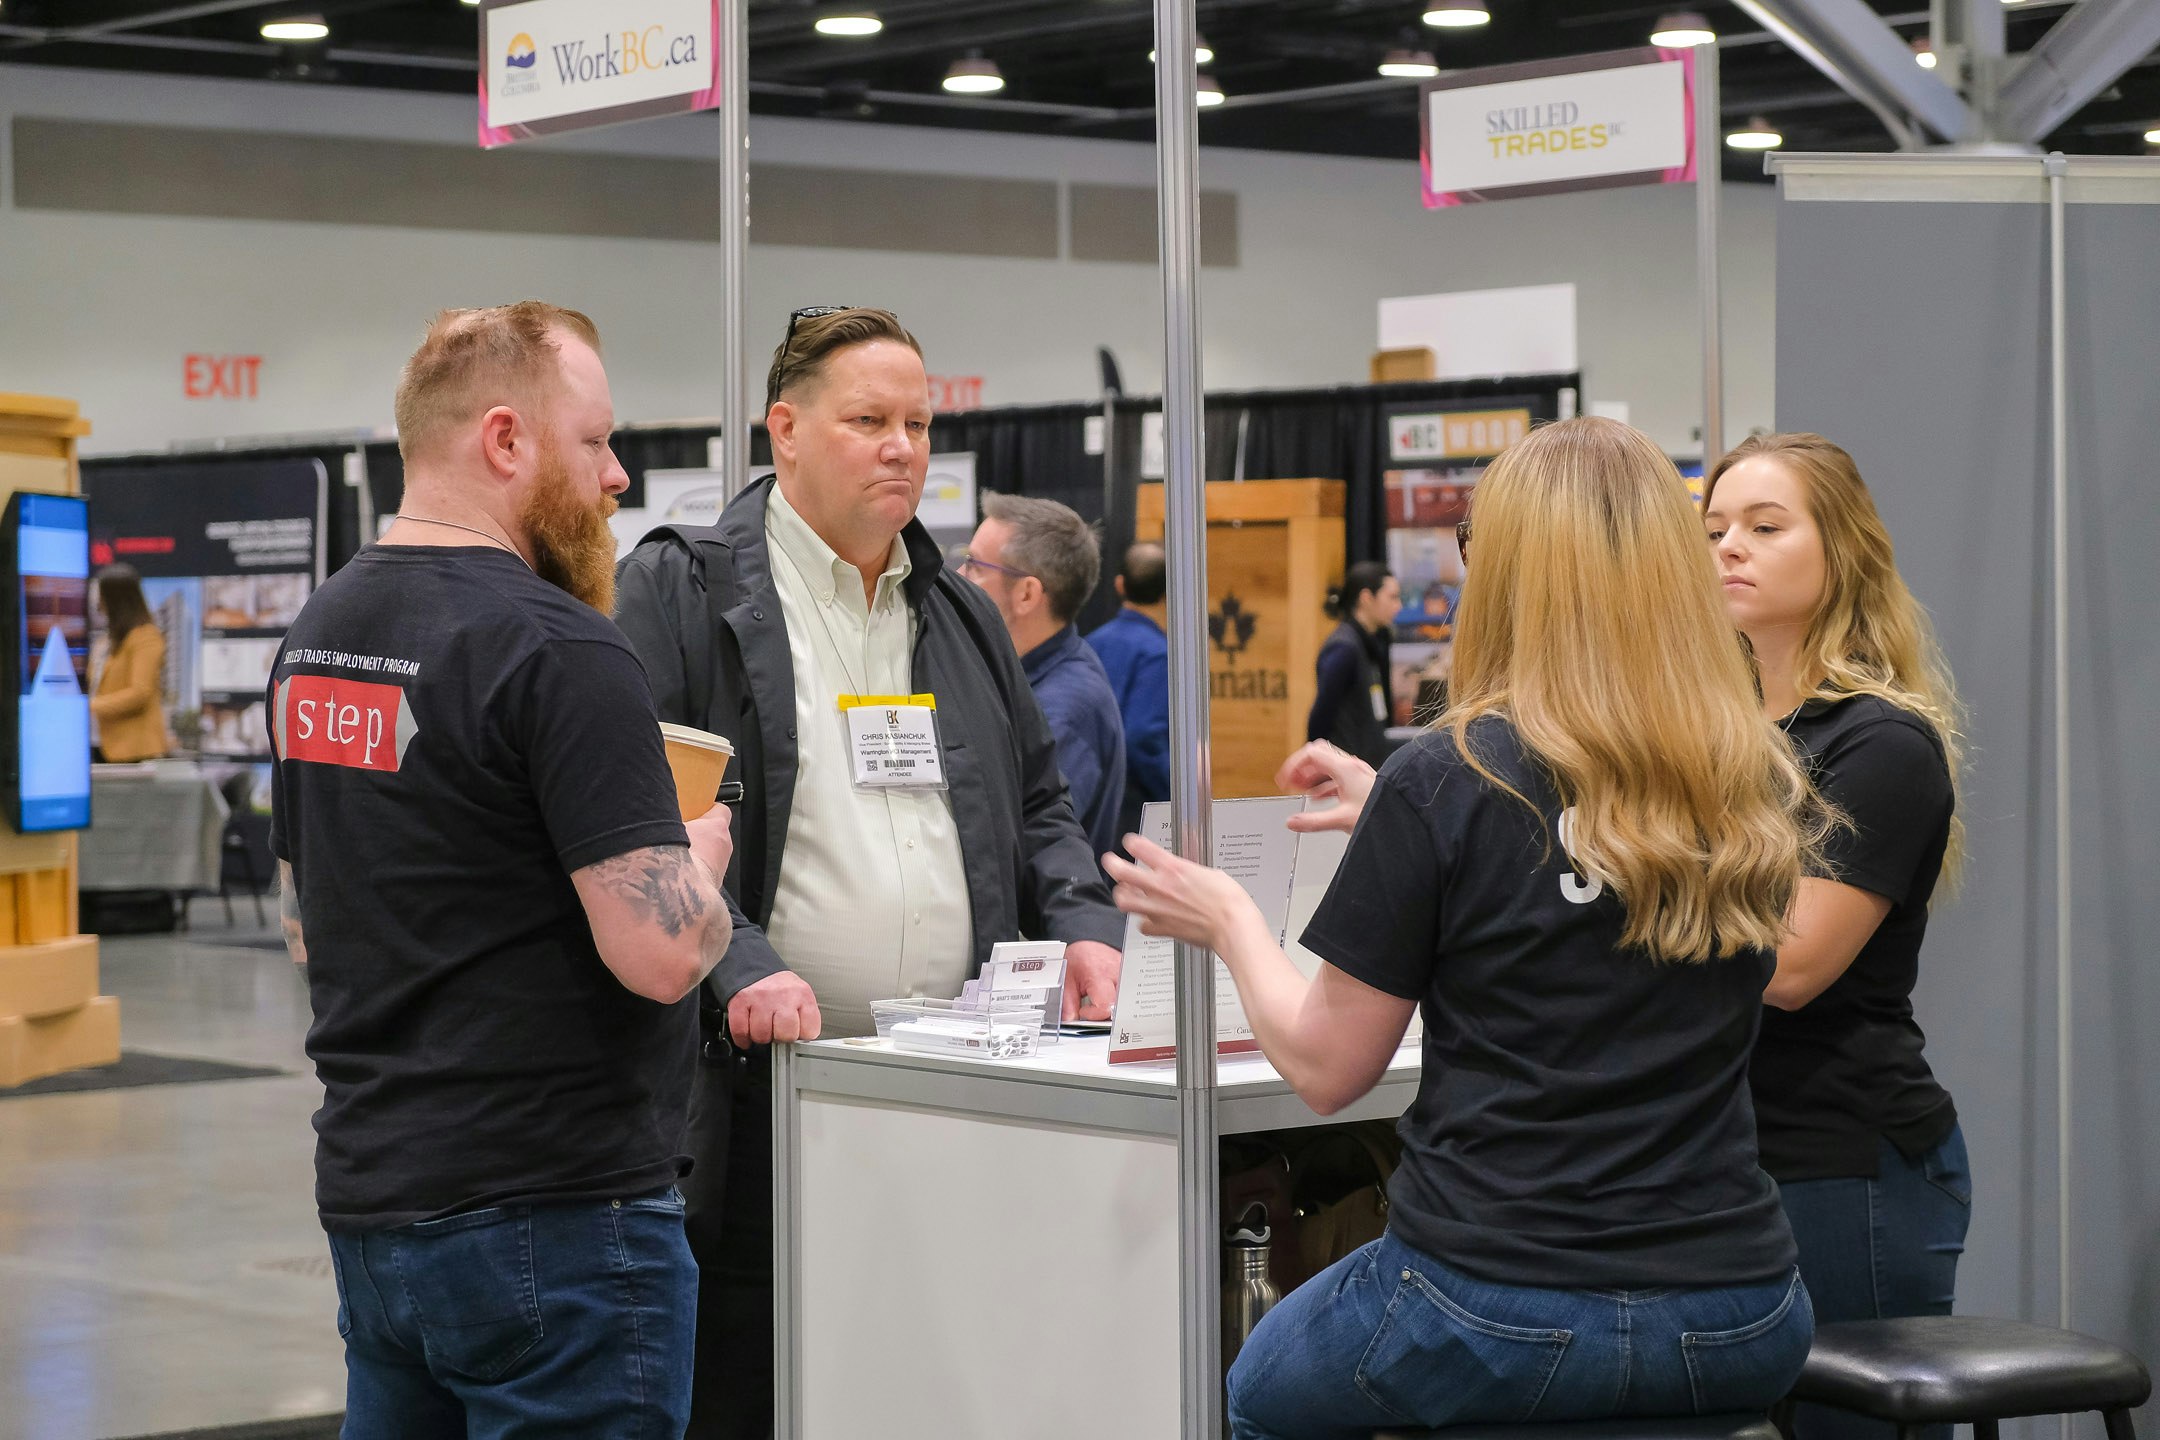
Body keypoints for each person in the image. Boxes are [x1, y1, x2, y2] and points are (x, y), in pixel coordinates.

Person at [1111, 417, 1820, 1440]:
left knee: (1258, 1394)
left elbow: (1325, 1068)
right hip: (1741, 1308)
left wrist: (1228, 919)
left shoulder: (1449, 779)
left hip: (1493, 1305)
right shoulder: (1745, 774)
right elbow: (1586, 854)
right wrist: (1401, 815)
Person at [612, 305, 1125, 1439]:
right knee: (751, 1385)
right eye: (868, 420)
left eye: (918, 423)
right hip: (757, 1099)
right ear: (783, 429)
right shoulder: (681, 593)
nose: (902, 446)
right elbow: (639, 820)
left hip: (950, 1089)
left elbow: (1041, 807)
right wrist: (736, 963)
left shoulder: (956, 612)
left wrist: (1087, 921)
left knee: (923, 1378)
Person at [269, 302, 741, 1438]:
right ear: (504, 441)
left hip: (377, 1211)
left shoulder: (319, 633)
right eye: (595, 442)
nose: (619, 476)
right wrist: (702, 856)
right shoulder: (562, 647)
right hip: (558, 1227)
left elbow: (305, 922)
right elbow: (664, 954)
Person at [1705, 433, 1968, 1440]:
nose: (1731, 547)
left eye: (1766, 528)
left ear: (1842, 552)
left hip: (1843, 1159)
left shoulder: (1879, 743)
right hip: (1733, 1153)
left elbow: (1791, 965)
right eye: (1717, 528)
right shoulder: (1717, 735)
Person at [963, 493, 1127, 861]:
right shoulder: (1025, 678)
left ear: (1026, 594)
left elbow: (1021, 850)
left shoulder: (1065, 708)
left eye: (974, 566)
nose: (959, 577)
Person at [1085, 540, 1169, 840]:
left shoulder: (1089, 645)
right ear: (1166, 592)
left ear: (1119, 584)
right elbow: (1143, 737)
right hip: (1137, 808)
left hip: (1090, 800)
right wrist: (1175, 794)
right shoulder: (1159, 654)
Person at [1306, 559, 1400, 765]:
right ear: (1366, 598)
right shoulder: (1344, 648)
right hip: (1343, 777)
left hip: (1363, 770)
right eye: (1392, 597)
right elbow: (1320, 718)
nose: (1398, 605)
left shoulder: (1366, 644)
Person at [90, 563, 171, 762]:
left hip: (135, 751)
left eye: (100, 594)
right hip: (100, 745)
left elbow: (139, 693)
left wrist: (90, 706)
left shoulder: (146, 637)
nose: (97, 602)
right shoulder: (106, 641)